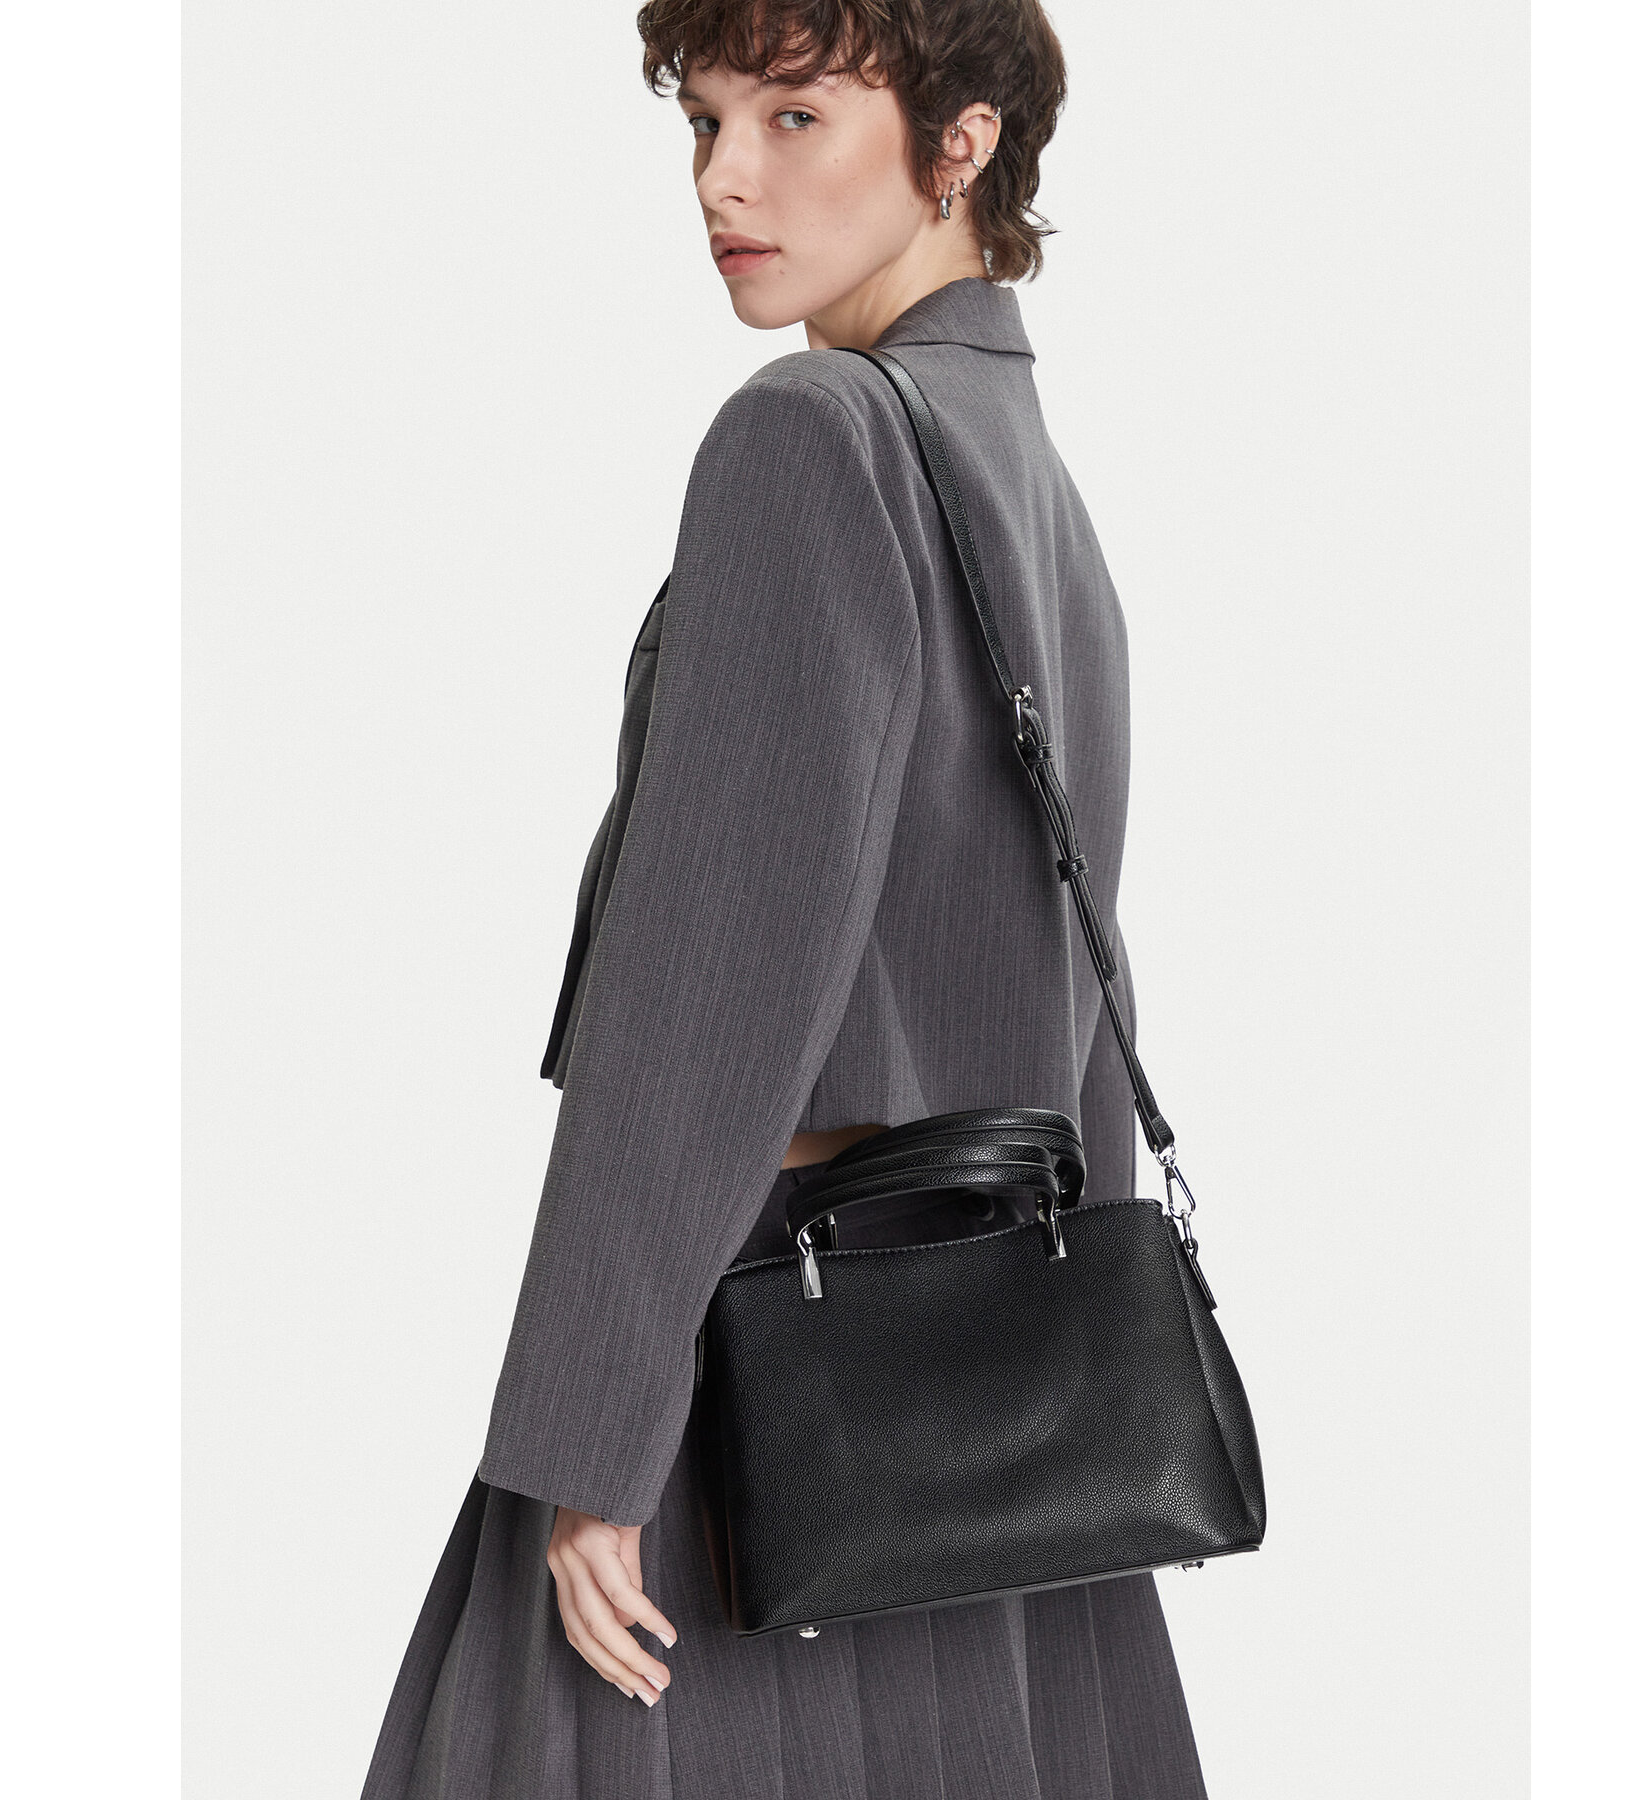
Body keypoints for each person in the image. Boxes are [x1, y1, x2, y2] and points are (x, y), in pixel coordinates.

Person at [361, 2, 1212, 1794]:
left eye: (796, 117)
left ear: (961, 143)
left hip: (755, 1393)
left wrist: (592, 1436)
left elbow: (707, 991)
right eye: (704, 121)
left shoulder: (810, 438)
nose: (723, 180)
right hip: (982, 1417)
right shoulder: (1027, 476)